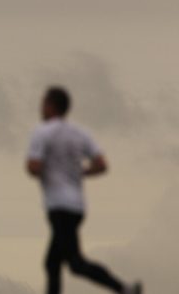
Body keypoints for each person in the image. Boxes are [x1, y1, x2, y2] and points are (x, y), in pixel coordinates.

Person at [26, 87, 142, 294]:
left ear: (52, 106)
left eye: (43, 104)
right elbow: (102, 164)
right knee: (52, 263)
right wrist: (79, 172)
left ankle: (123, 288)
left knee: (75, 263)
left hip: (58, 206)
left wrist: (51, 170)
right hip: (77, 206)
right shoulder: (80, 133)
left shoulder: (42, 132)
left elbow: (33, 166)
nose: (41, 109)